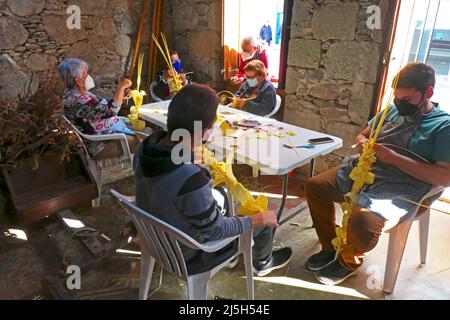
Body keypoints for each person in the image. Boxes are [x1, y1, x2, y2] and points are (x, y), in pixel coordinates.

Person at [304, 62, 450, 285]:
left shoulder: (443, 126)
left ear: (428, 93)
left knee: (361, 220)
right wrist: (363, 143)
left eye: (407, 100)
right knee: (315, 186)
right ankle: (331, 246)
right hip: (369, 171)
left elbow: (444, 177)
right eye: (397, 98)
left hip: (405, 185)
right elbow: (362, 134)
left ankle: (349, 260)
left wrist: (394, 158)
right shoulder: (393, 109)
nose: (400, 104)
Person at [134, 83, 292, 276]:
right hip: (190, 253)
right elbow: (215, 231)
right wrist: (257, 219)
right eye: (213, 123)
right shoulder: (191, 179)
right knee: (263, 219)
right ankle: (263, 262)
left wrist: (191, 160)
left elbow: (174, 182)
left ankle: (236, 256)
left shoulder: (147, 147)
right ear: (203, 132)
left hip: (158, 232)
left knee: (219, 194)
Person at [57, 58, 139, 160]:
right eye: (85, 75)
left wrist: (121, 95)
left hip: (102, 134)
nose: (88, 77)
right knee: (145, 140)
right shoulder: (81, 100)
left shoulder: (71, 94)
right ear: (77, 80)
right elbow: (111, 111)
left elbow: (100, 108)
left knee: (141, 131)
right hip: (100, 145)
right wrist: (121, 87)